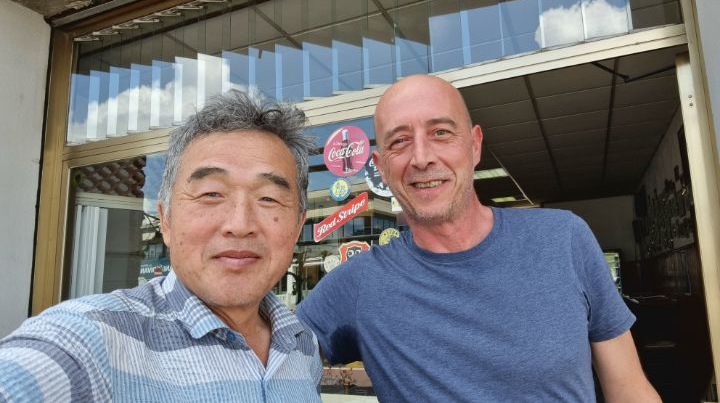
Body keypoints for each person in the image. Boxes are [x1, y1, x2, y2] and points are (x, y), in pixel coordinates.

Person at [297, 75, 660, 402]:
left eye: (441, 132)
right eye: (400, 141)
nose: (421, 157)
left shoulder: (563, 238)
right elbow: (271, 355)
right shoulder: (361, 283)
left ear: (474, 146)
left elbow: (628, 388)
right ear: (381, 167)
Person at [0, 90, 322, 402]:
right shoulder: (92, 339)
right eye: (211, 194)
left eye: (268, 198)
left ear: (297, 226)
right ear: (165, 220)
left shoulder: (302, 345)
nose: (239, 224)